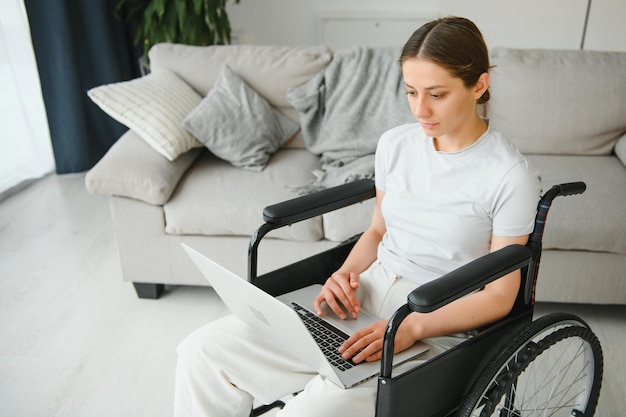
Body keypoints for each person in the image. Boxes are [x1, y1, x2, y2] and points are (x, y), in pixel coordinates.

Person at [174, 16, 541, 417]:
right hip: (369, 294)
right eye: (411, 92)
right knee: (201, 352)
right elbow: (378, 230)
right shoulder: (396, 145)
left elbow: (501, 297)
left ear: (479, 86)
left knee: (310, 410)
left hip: (439, 321)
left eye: (437, 94)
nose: (421, 109)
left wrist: (412, 327)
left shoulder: (508, 174)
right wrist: (344, 275)